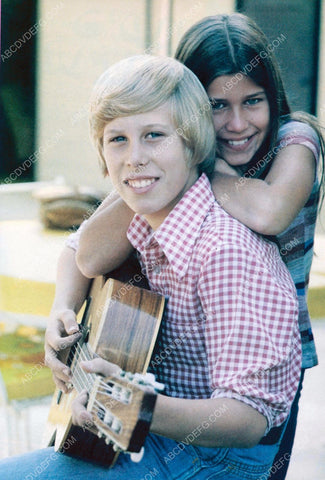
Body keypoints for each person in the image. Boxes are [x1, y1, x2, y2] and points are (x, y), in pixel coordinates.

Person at [49, 13, 324, 480]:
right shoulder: (158, 159)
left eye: (253, 101)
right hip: (177, 352)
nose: (237, 123)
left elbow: (271, 212)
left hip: (270, 349)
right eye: (217, 106)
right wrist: (62, 306)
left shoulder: (294, 139)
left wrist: (198, 163)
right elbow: (86, 252)